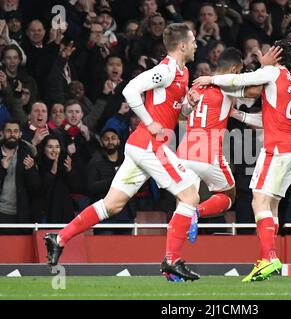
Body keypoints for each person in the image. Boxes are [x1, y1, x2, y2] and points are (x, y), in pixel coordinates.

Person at [44, 23, 202, 282]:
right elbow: (129, 90)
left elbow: (176, 113)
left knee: (112, 204)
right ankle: (172, 260)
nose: (196, 45)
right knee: (190, 195)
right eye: (193, 40)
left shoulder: (183, 73)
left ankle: (58, 238)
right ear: (182, 45)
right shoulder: (166, 69)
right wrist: (148, 121)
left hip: (142, 147)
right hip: (151, 145)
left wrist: (188, 105)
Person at [194, 39, 291, 282]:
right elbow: (268, 120)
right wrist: (239, 114)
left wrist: (211, 79)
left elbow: (239, 80)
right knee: (271, 206)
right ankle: (266, 258)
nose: (262, 54)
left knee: (258, 203)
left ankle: (269, 257)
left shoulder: (272, 72)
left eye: (267, 51)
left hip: (277, 149)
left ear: (276, 55)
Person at [177, 47, 262, 238]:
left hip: (184, 152)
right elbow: (256, 90)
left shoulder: (197, 85)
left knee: (183, 202)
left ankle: (172, 255)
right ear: (233, 71)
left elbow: (182, 115)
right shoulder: (228, 86)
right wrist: (263, 66)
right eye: (239, 72)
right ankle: (197, 212)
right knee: (228, 197)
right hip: (208, 153)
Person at [0, 119, 40, 234]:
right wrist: (2, 169)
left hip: (20, 215)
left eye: (15, 131)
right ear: (2, 133)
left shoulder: (27, 154)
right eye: (8, 131)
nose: (12, 134)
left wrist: (31, 170)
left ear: (20, 134)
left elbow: (36, 188)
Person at [33, 134, 79, 223]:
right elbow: (38, 189)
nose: (54, 150)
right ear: (44, 148)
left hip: (64, 213)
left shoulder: (66, 163)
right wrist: (52, 173)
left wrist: (69, 171)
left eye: (57, 147)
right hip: (44, 214)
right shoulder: (37, 164)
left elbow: (75, 187)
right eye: (50, 147)